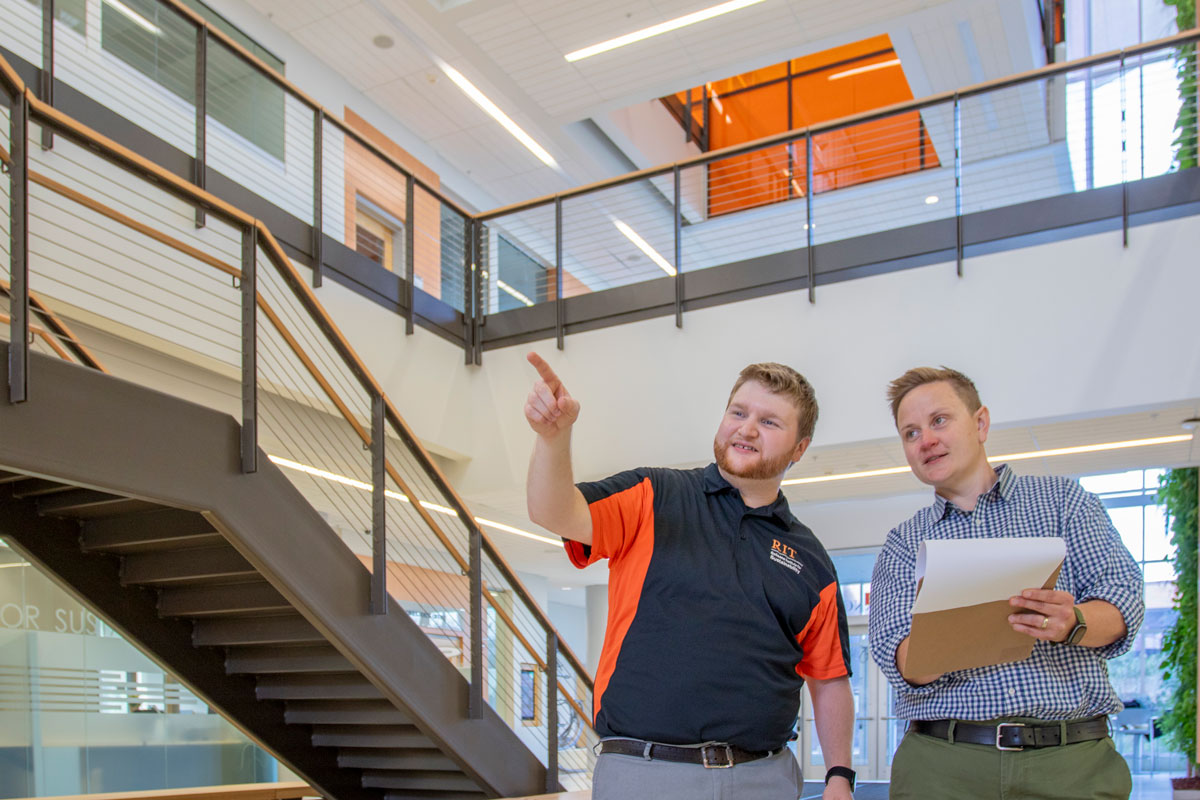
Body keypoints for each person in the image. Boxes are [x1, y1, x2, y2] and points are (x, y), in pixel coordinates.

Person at [523, 352, 855, 800]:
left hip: (764, 778)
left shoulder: (810, 559)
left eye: (770, 422)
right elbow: (555, 511)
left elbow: (829, 677)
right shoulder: (654, 494)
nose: (747, 428)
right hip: (645, 773)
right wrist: (552, 439)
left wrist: (839, 776)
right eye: (738, 412)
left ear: (800, 448)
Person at [868, 366, 1145, 800]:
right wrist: (955, 629)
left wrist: (1071, 621)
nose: (926, 440)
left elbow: (1123, 603)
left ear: (980, 423)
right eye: (910, 433)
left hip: (1072, 763)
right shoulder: (903, 543)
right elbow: (899, 659)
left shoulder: (1064, 502)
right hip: (944, 767)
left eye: (939, 420)